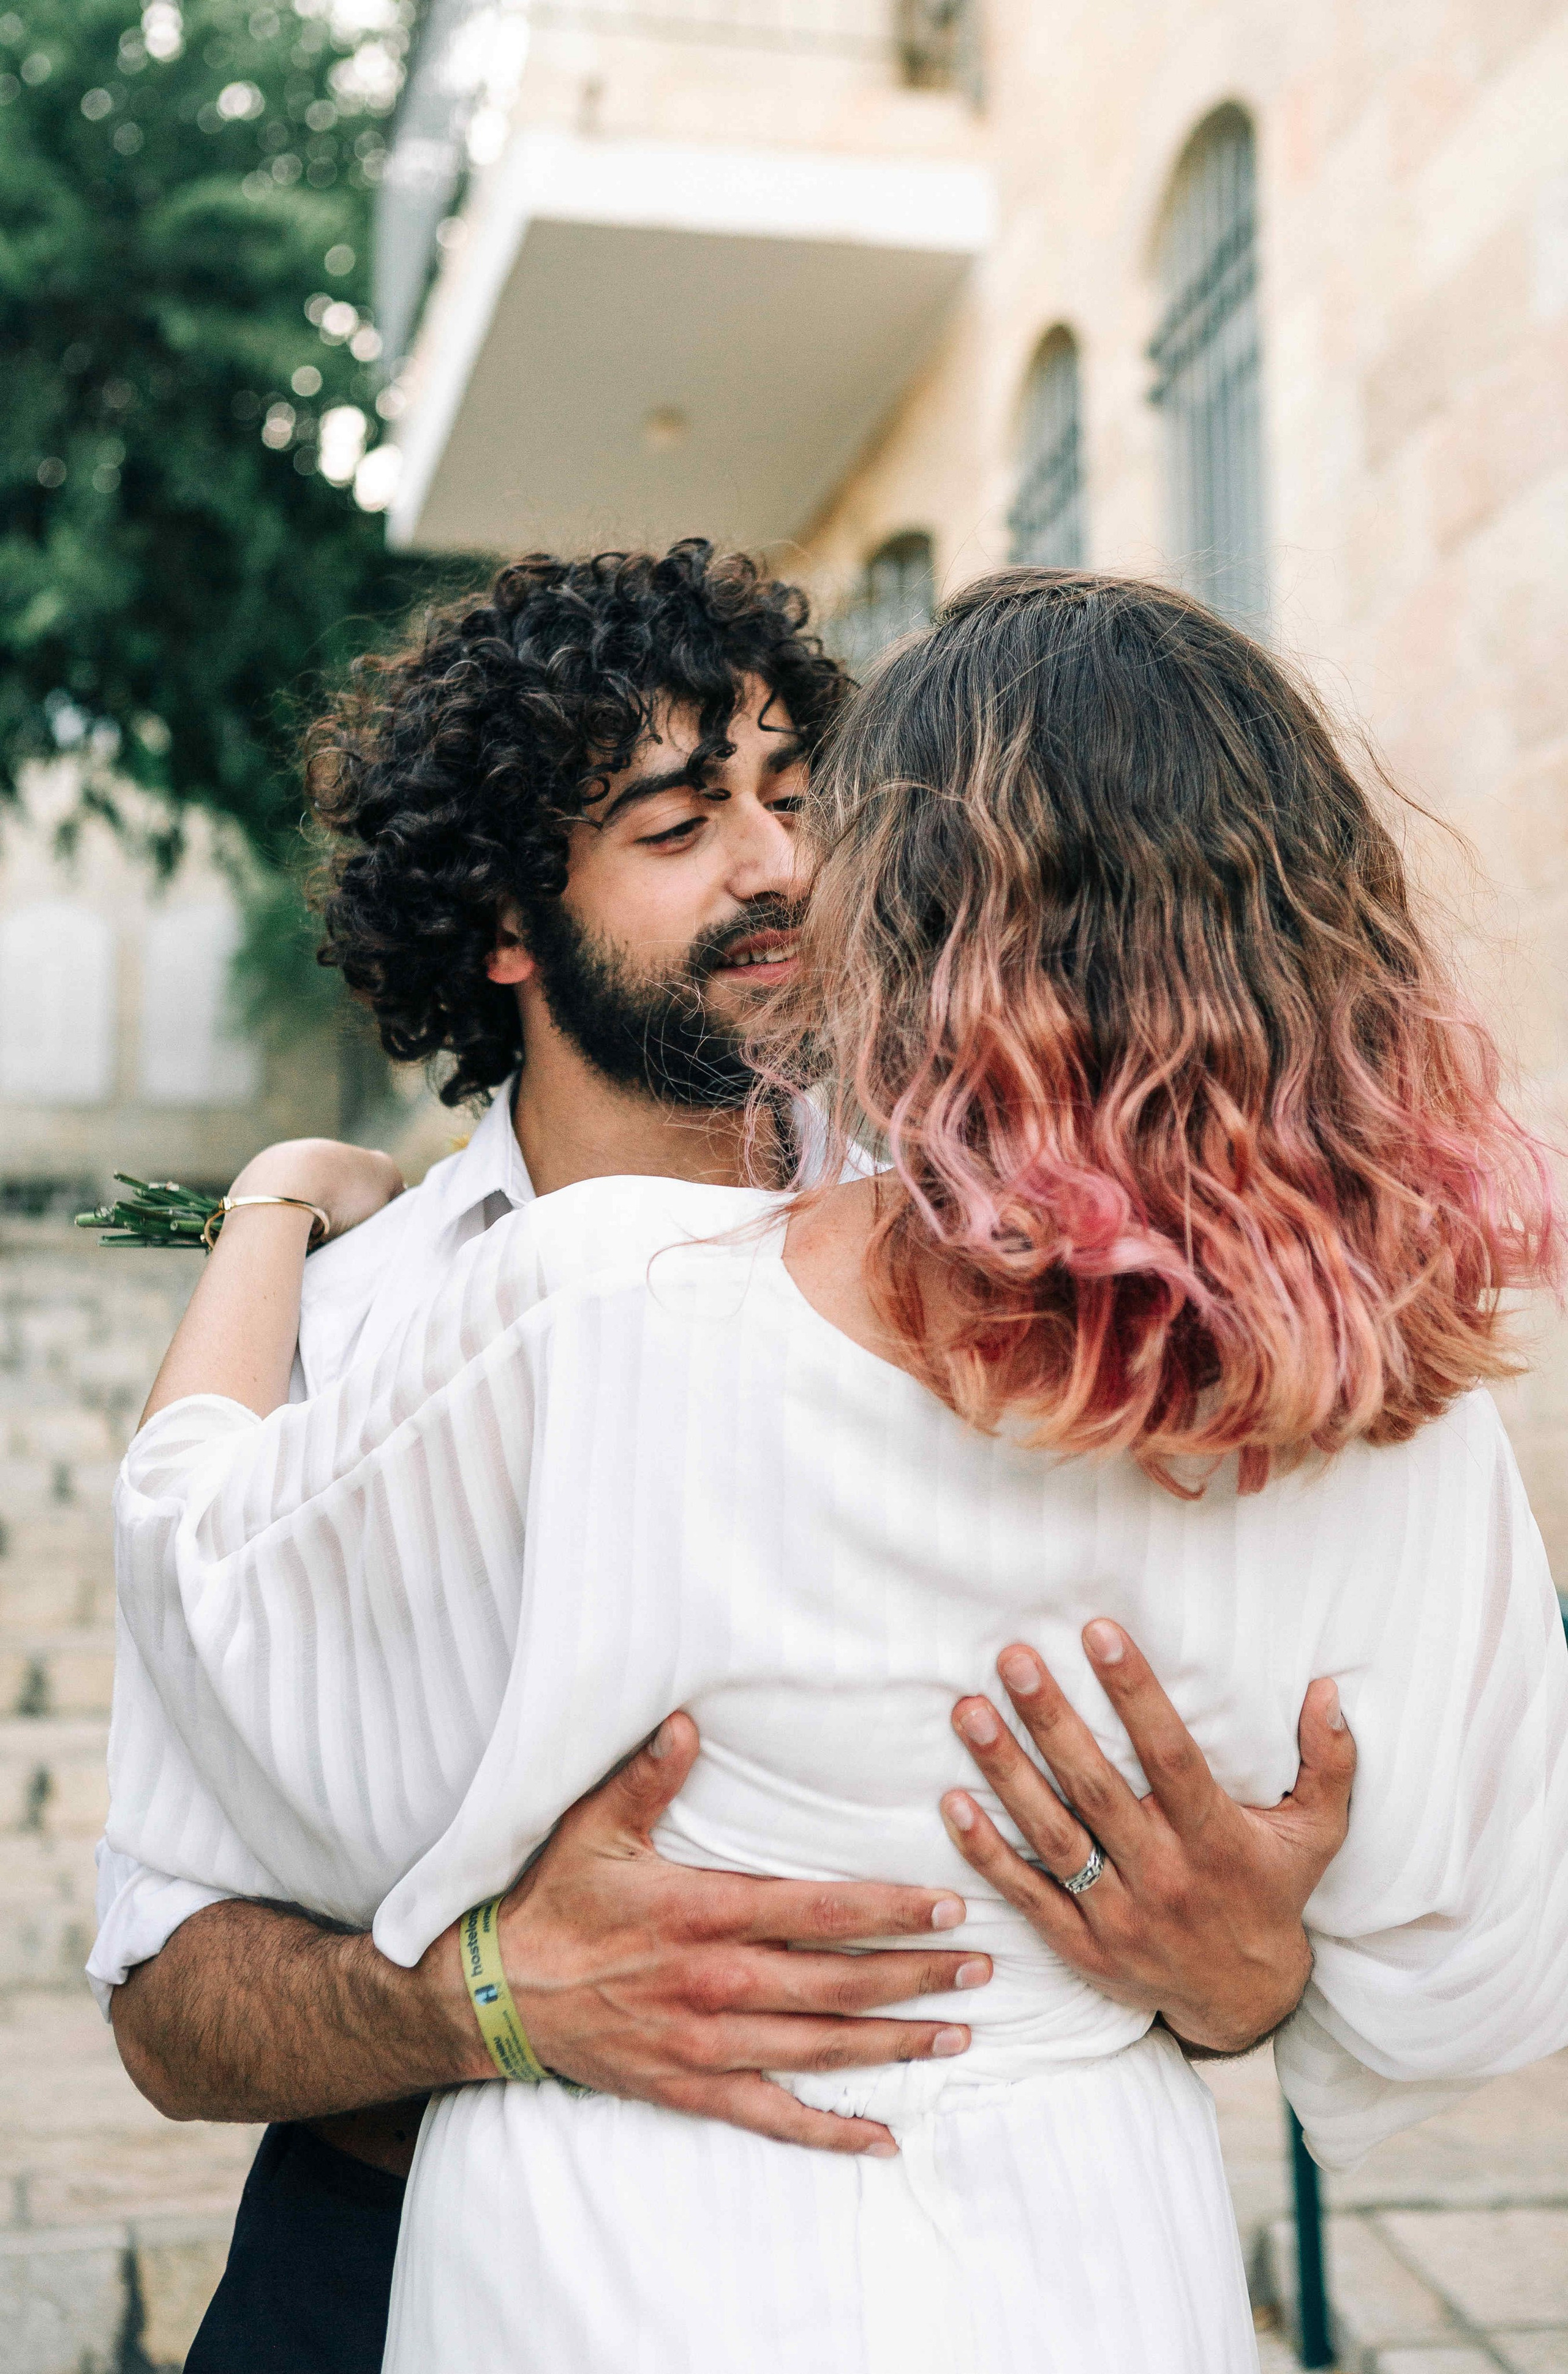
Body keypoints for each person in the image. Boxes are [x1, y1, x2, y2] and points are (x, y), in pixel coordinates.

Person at [105, 559, 1389, 2370]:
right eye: (677, 821)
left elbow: (1259, 1873)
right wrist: (487, 1999)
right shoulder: (334, 1339)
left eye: (797, 798)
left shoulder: (1031, 1276)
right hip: (407, 2258)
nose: (781, 865)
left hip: (982, 2276)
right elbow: (167, 2005)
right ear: (499, 922)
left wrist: (1249, 1967)